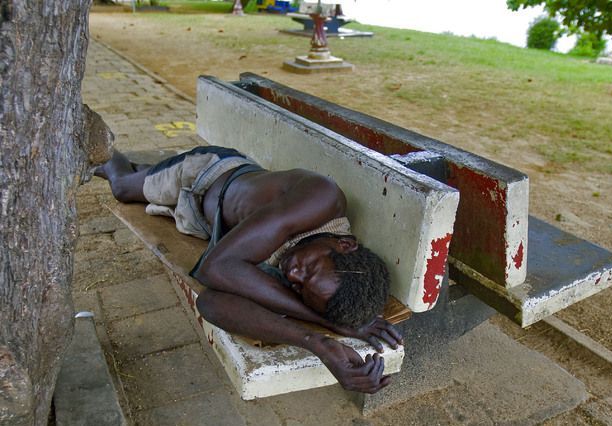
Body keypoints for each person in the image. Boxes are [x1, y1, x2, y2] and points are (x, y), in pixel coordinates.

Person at [96, 146, 403, 394]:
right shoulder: (319, 197)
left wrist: (318, 342)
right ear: (345, 244)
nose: (293, 275)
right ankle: (107, 153)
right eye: (309, 268)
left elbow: (211, 302)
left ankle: (143, 173)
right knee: (122, 186)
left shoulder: (308, 272)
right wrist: (323, 321)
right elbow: (214, 268)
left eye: (298, 288)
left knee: (141, 180)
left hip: (204, 224)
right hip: (203, 176)